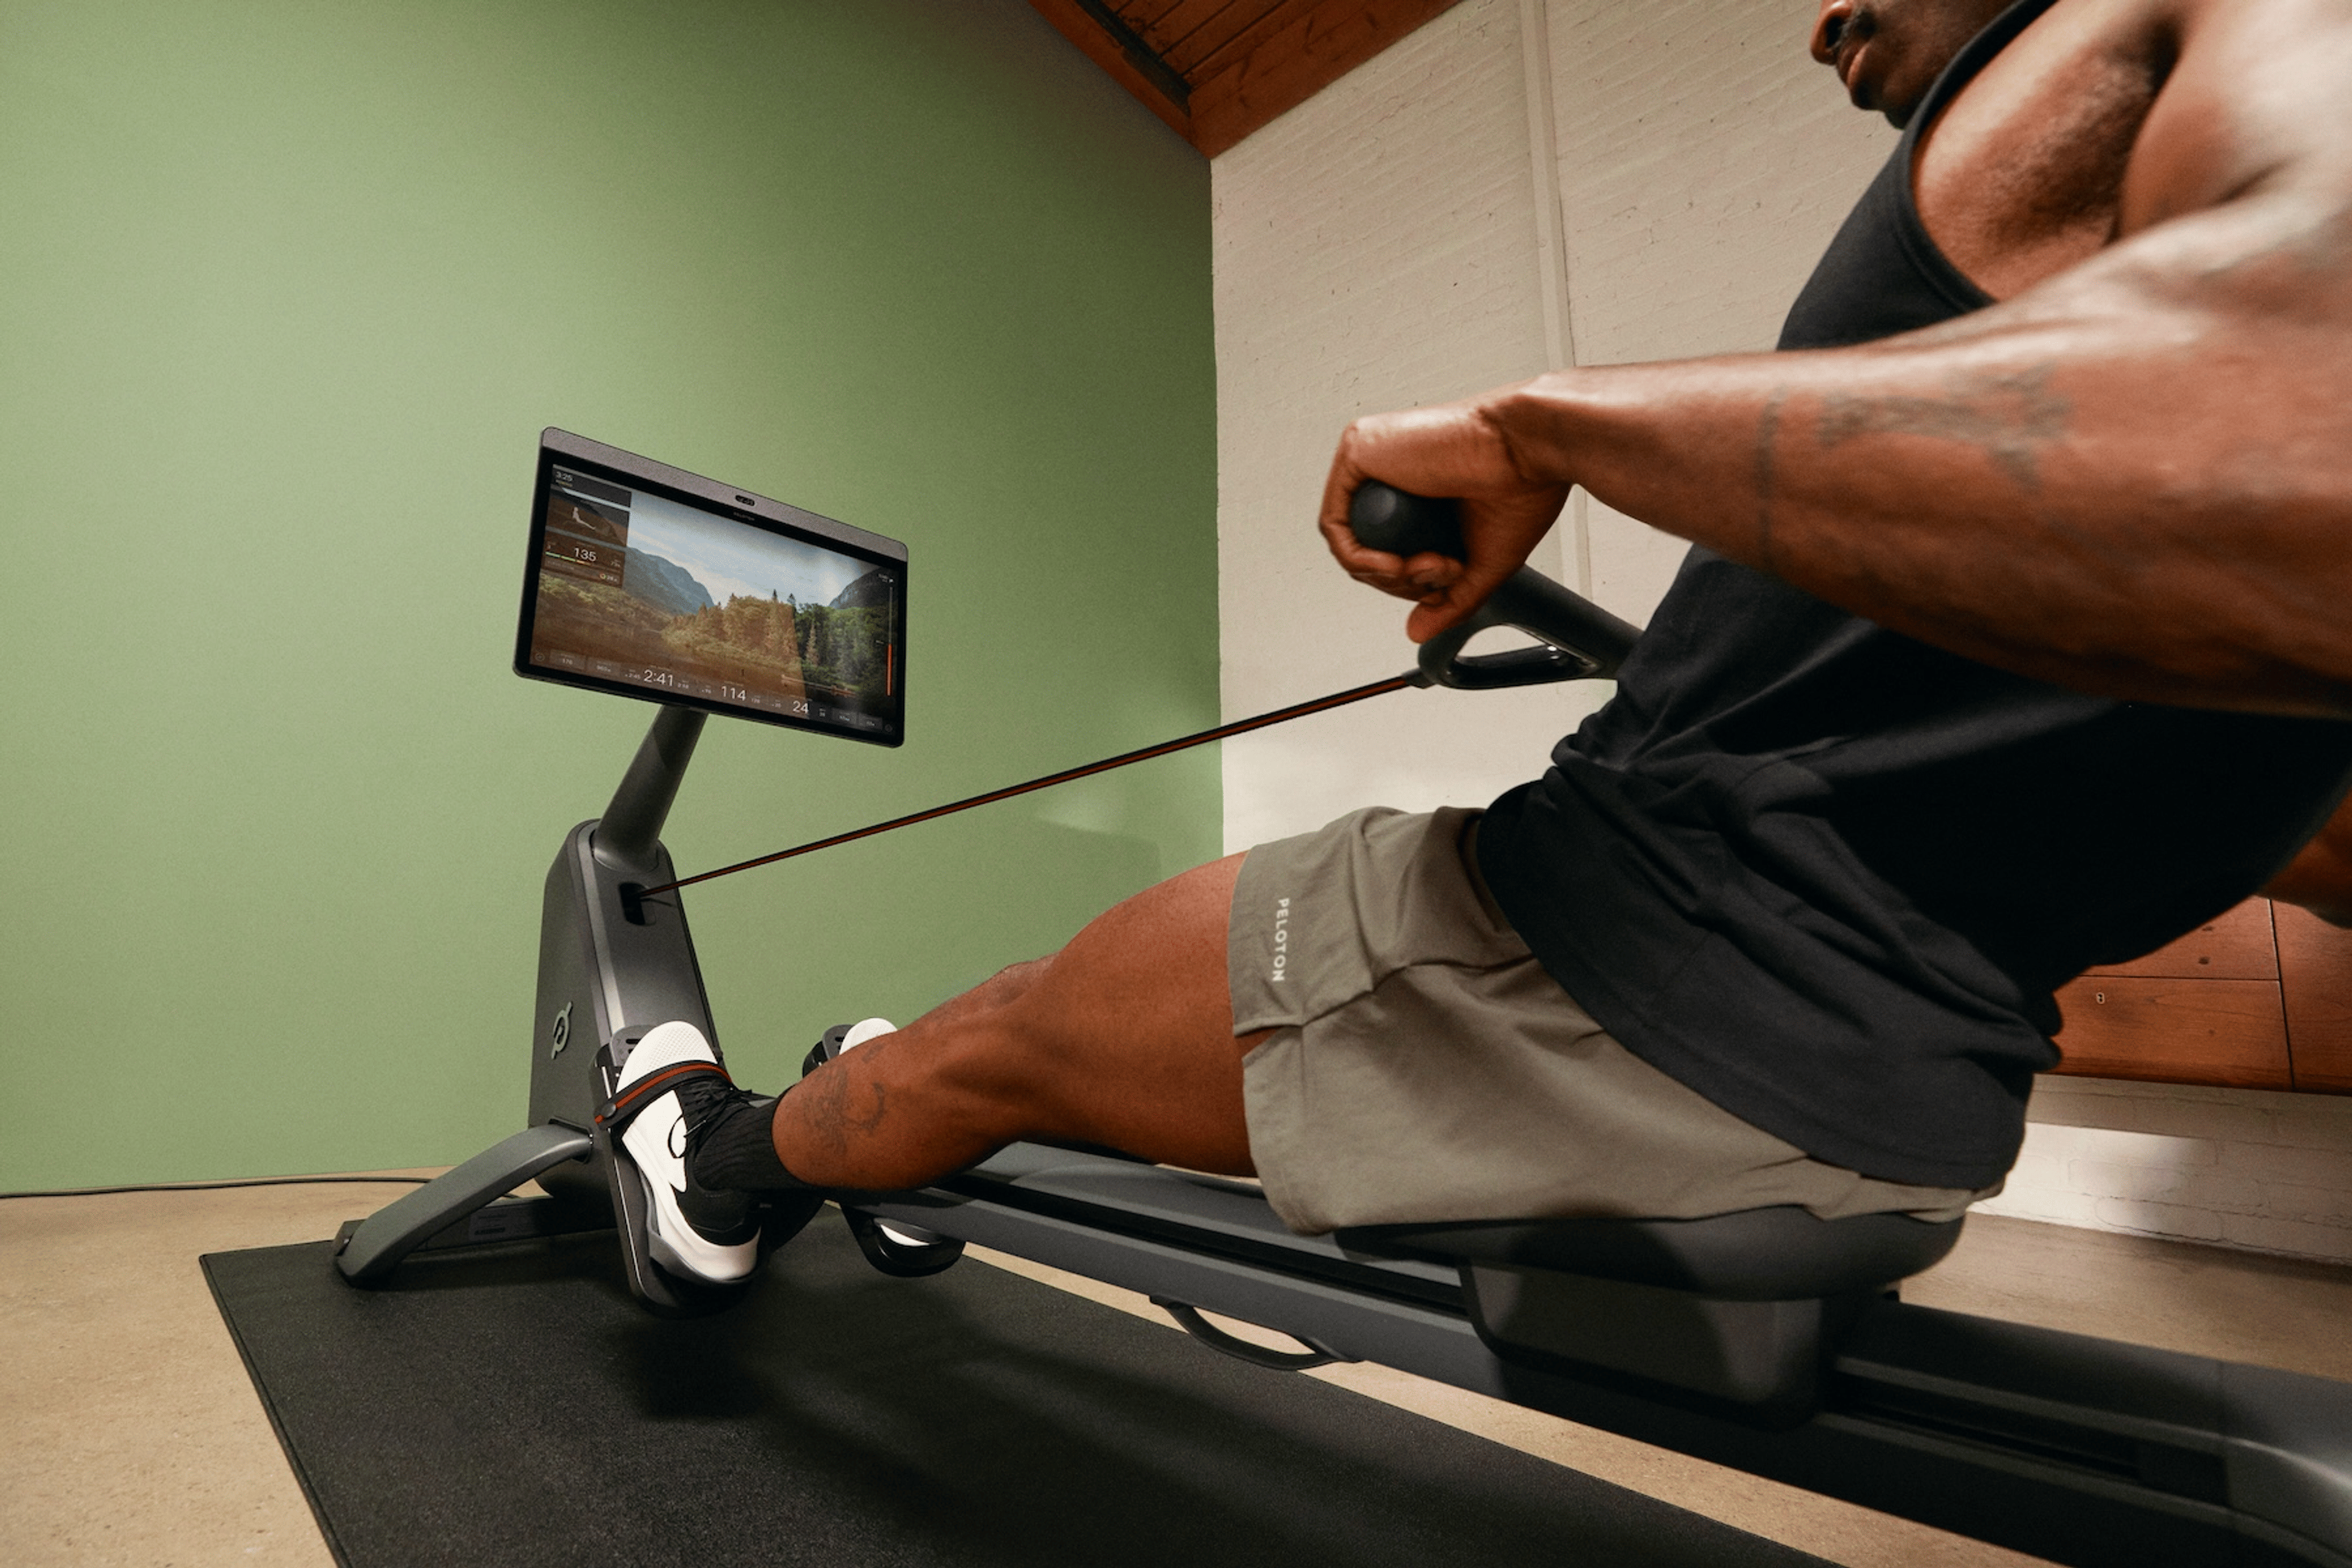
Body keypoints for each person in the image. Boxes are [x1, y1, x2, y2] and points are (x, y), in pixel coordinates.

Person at [610, 0, 2352, 1288]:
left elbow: (2297, 439)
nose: (1823, 17)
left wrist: (1546, 428)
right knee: (1044, 1040)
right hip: (1914, 1117)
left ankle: (721, 1163)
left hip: (1611, 976)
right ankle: (879, 1120)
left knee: (1004, 1027)